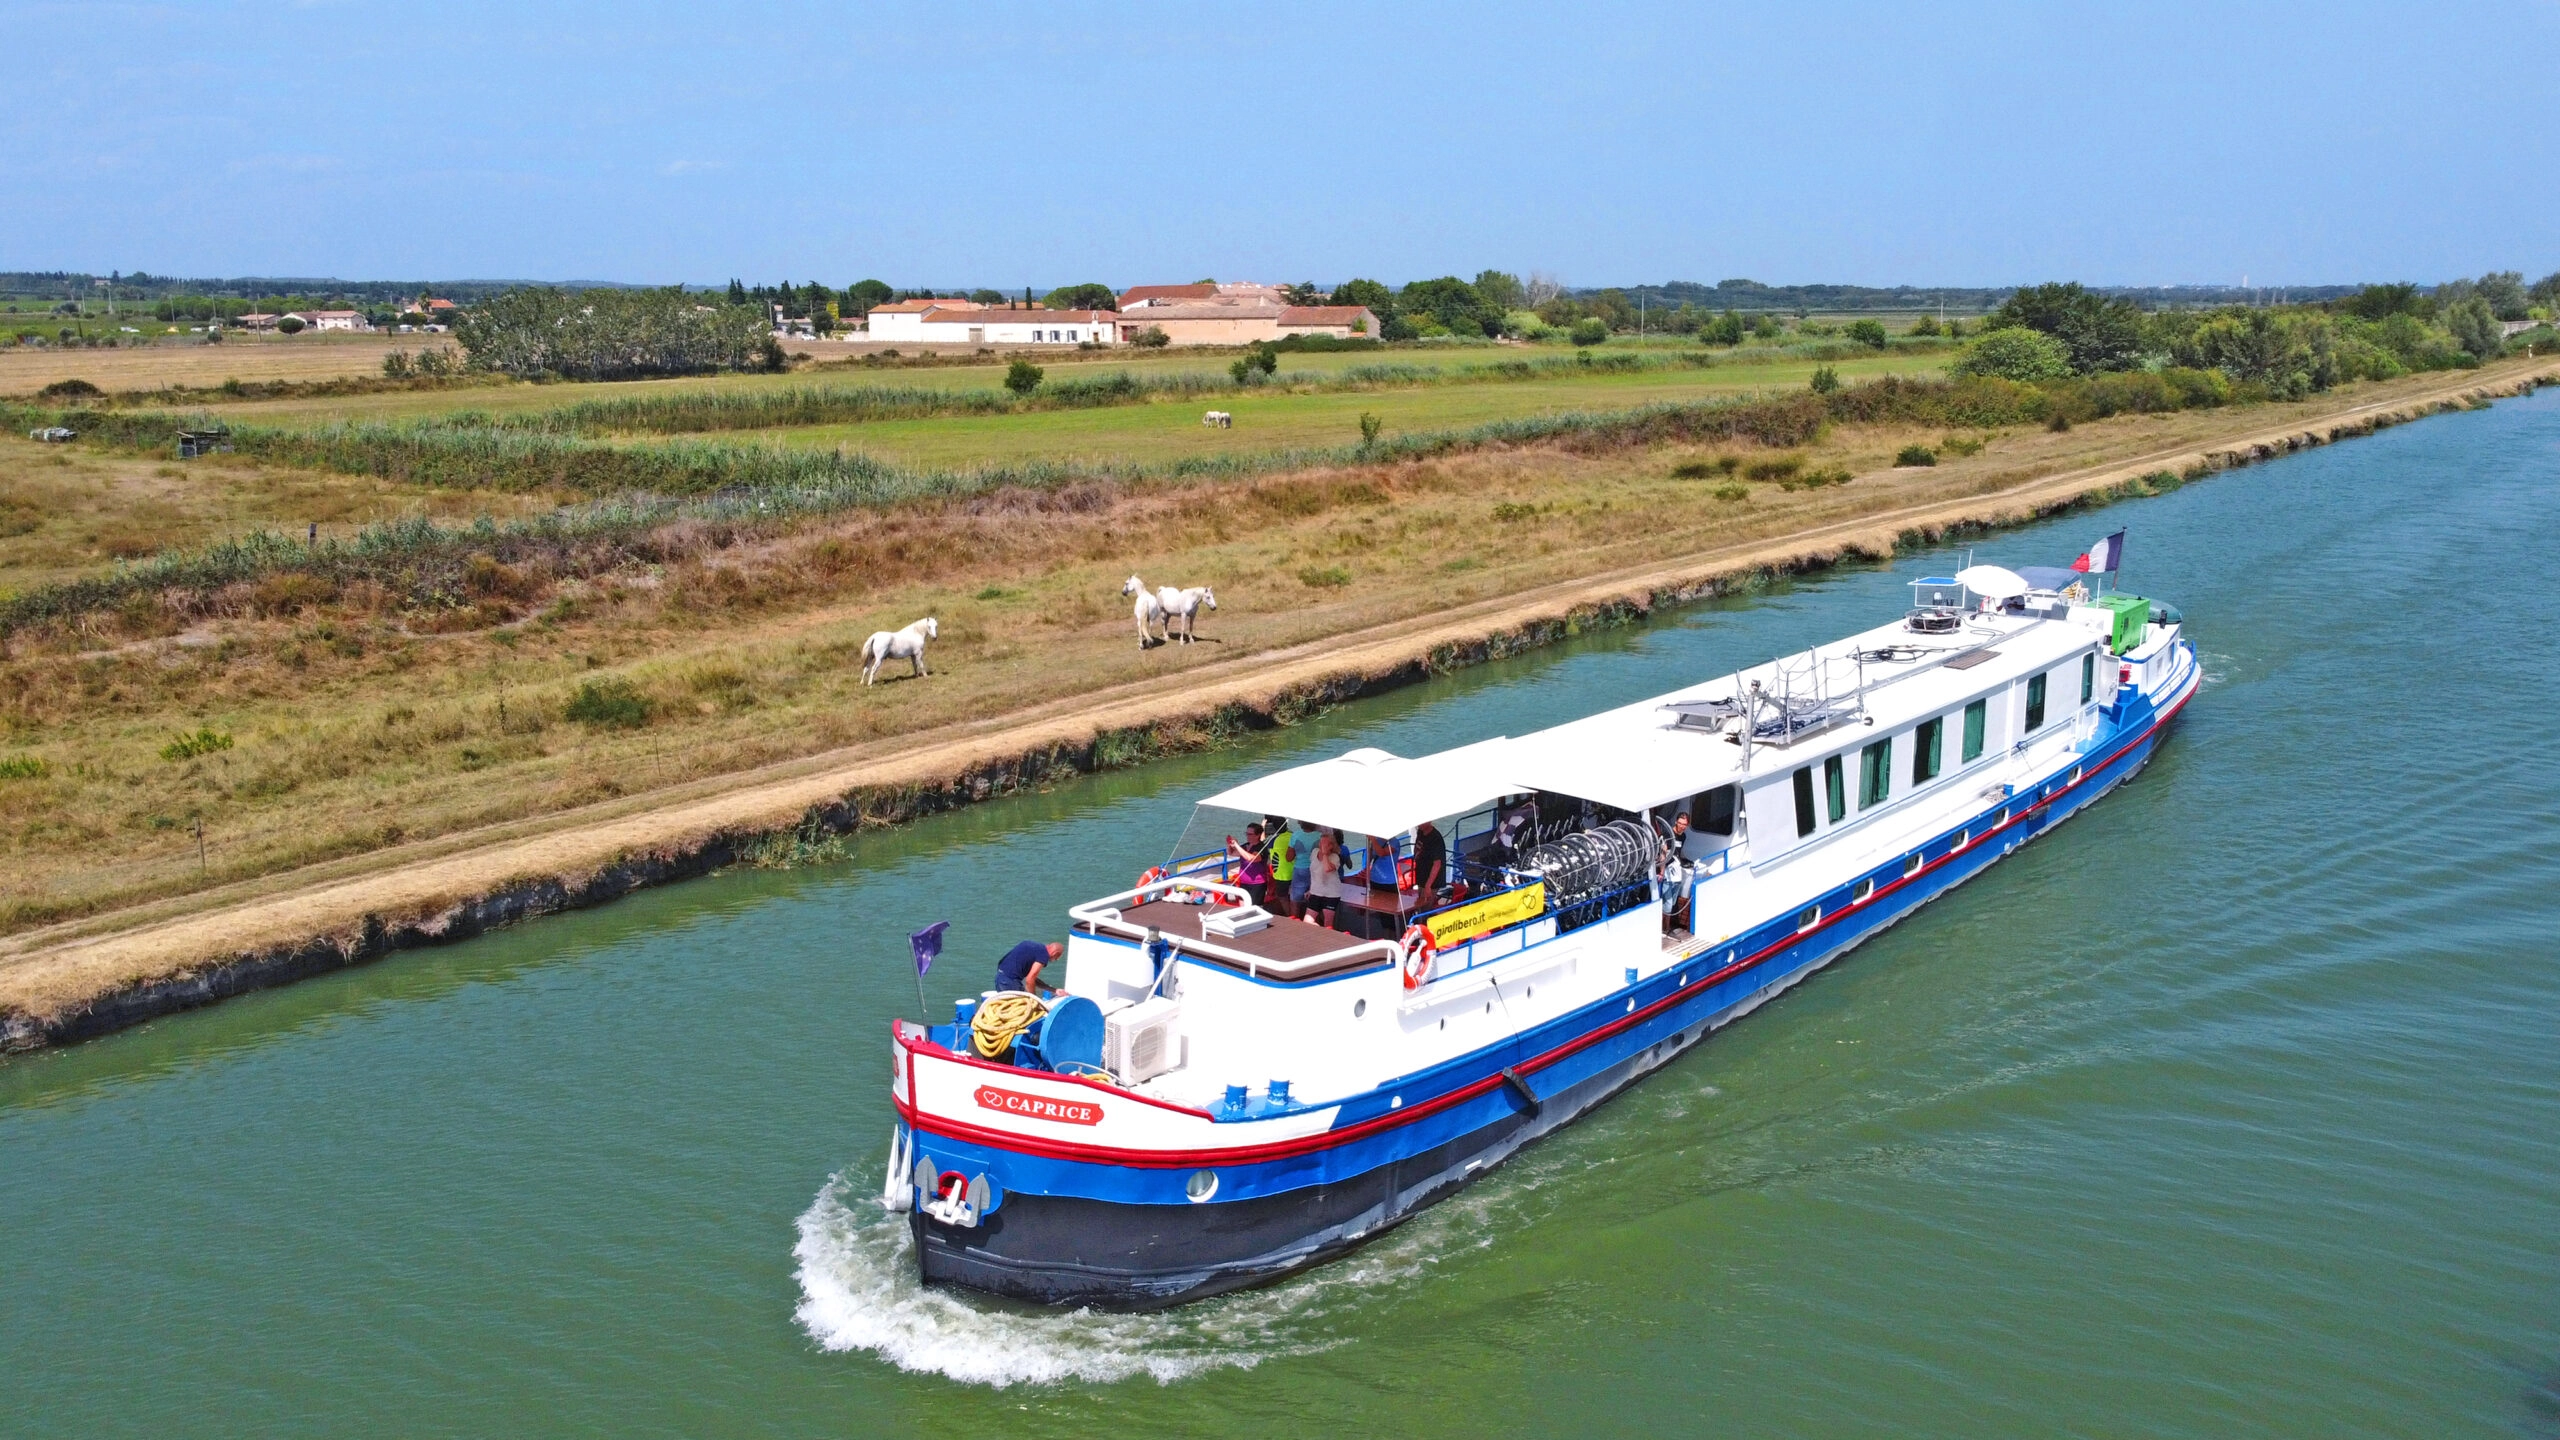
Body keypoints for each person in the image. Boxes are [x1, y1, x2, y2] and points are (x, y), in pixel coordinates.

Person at [1304, 830, 1345, 928]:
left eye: (1324, 843)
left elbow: (1327, 869)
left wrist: (1325, 854)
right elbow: (1313, 872)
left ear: (1331, 845)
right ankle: (1320, 933)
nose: (1321, 845)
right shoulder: (1314, 852)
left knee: (1328, 923)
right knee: (1307, 922)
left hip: (1331, 894)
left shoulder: (1335, 857)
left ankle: (1326, 939)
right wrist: (1311, 889)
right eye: (1320, 842)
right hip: (1316, 892)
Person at [1228, 822, 1272, 909]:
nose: (1247, 836)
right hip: (1244, 882)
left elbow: (1251, 858)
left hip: (1257, 884)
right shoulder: (1245, 846)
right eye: (1246, 833)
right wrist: (1230, 845)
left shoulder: (1261, 847)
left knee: (1254, 908)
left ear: (1258, 835)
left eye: (1250, 834)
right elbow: (1231, 853)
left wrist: (1237, 846)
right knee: (1242, 907)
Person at [995, 939, 1061, 996]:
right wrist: (1034, 999)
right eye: (1056, 959)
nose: (1053, 960)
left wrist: (1054, 990)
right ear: (1055, 953)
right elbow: (1029, 980)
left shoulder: (1033, 947)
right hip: (1010, 982)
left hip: (1000, 978)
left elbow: (1033, 978)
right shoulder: (1043, 955)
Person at [1267, 816, 1298, 918]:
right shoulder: (1293, 835)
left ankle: (1288, 915)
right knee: (1295, 897)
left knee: (1282, 896)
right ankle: (1295, 915)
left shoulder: (1274, 840)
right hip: (1295, 870)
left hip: (1281, 873)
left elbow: (1264, 847)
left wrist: (1263, 827)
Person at [1412, 821, 1448, 905]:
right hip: (1421, 876)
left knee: (1425, 906)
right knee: (1420, 903)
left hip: (1432, 881)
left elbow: (1437, 864)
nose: (1419, 824)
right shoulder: (1420, 832)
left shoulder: (1435, 838)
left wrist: (1428, 885)